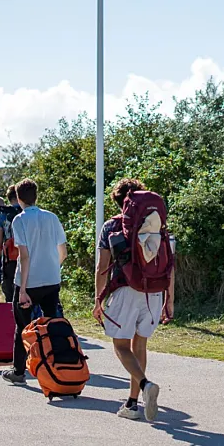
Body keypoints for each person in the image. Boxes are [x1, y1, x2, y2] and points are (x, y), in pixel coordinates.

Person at [93, 178, 172, 421]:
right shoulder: (157, 224)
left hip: (124, 290)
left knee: (120, 347)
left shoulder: (111, 227)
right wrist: (169, 299)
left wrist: (98, 299)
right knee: (140, 346)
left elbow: (101, 267)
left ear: (118, 202)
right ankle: (131, 402)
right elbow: (171, 264)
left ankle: (146, 385)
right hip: (154, 292)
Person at [0, 179, 68, 384]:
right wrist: (54, 267)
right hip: (51, 279)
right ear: (36, 196)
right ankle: (58, 366)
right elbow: (62, 250)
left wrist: (22, 289)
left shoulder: (19, 220)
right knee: (52, 324)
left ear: (19, 198)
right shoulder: (52, 217)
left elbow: (25, 256)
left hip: (28, 282)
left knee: (22, 326)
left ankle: (19, 371)